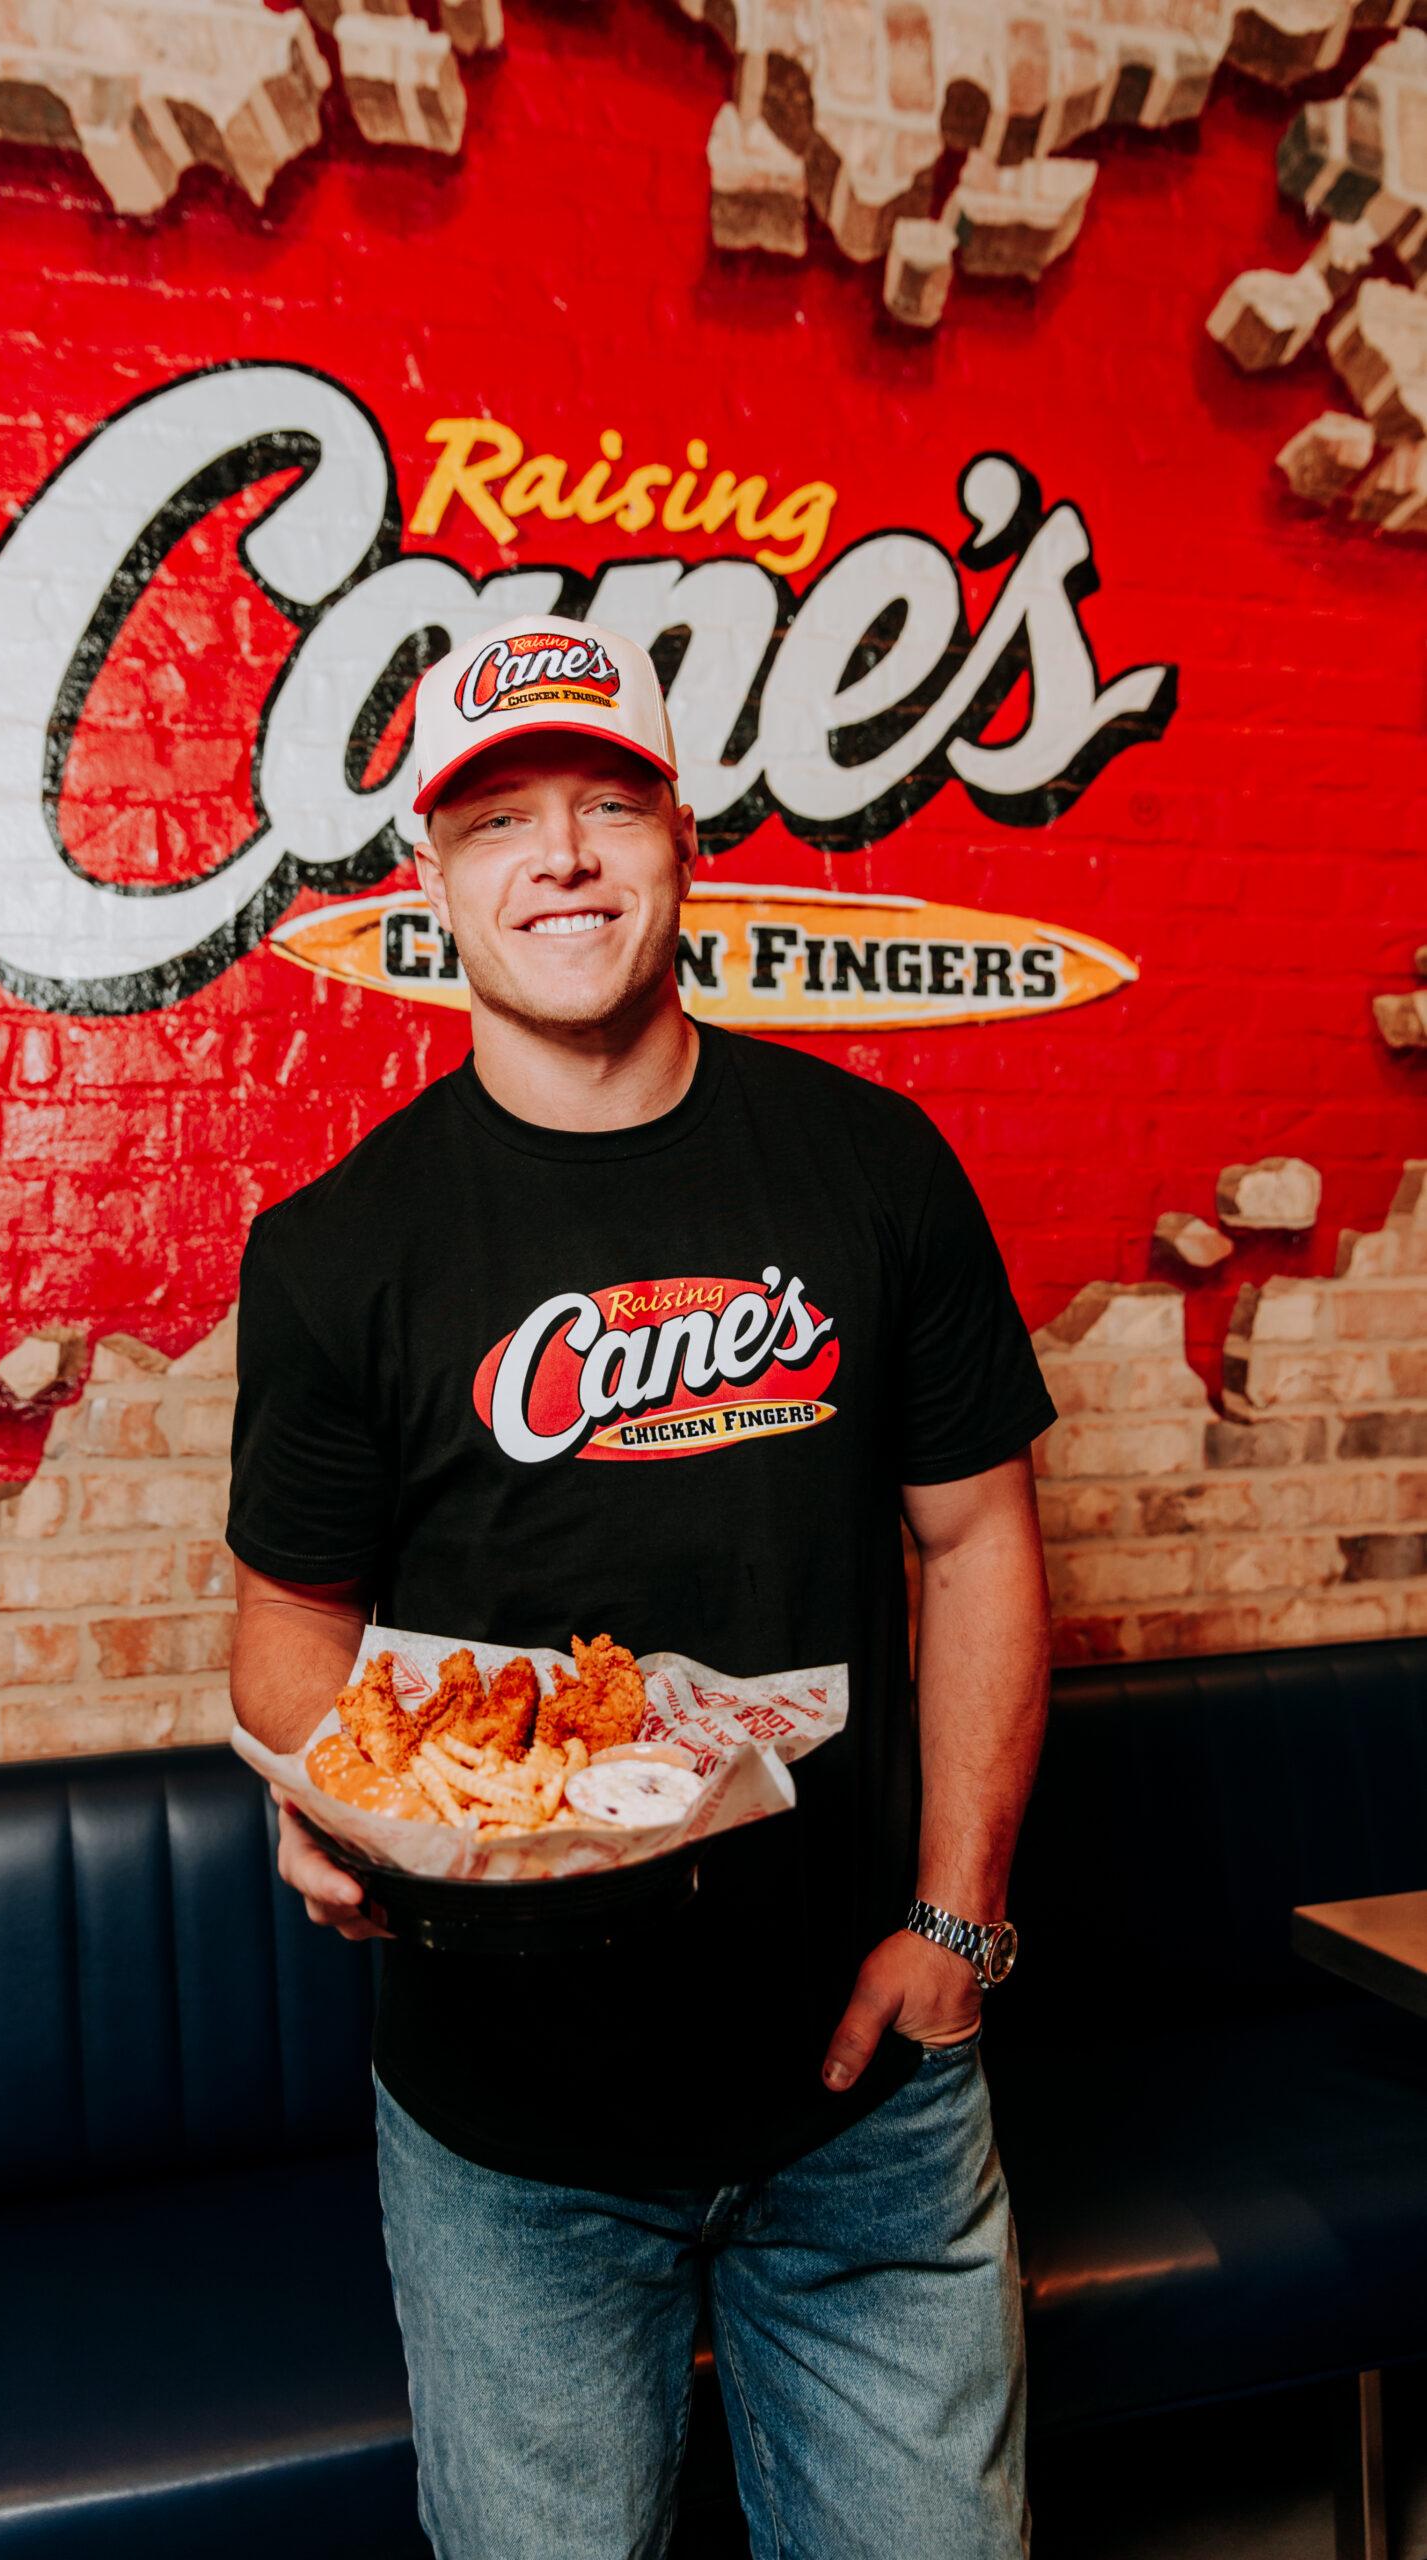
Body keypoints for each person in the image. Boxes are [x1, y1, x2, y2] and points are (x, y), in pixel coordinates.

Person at [226, 613, 1057, 2559]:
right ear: (431, 878)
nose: (563, 854)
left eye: (608, 801)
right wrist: (316, 1776)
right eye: (501, 816)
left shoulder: (871, 1166)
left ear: (684, 834)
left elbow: (976, 1540)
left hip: (863, 2093)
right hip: (504, 2132)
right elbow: (285, 1627)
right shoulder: (339, 1247)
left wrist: (958, 1926)